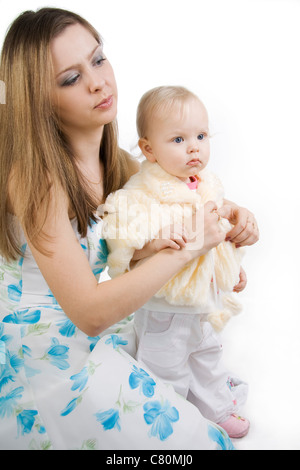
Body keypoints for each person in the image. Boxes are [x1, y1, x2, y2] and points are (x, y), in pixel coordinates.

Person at [0, 8, 258, 450]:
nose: (99, 82)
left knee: (183, 361)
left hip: (88, 331)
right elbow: (91, 314)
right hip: (44, 355)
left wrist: (229, 215)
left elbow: (169, 195)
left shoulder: (116, 163)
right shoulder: (40, 181)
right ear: (37, 98)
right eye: (70, 78)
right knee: (193, 441)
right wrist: (189, 247)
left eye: (98, 59)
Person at [102, 86, 254, 438]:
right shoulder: (140, 191)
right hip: (164, 306)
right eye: (178, 139)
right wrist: (152, 243)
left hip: (202, 302)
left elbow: (216, 238)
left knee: (207, 356)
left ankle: (216, 408)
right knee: (164, 367)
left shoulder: (206, 186)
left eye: (201, 136)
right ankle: (167, 422)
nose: (194, 147)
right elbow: (121, 240)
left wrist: (230, 271)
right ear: (148, 149)